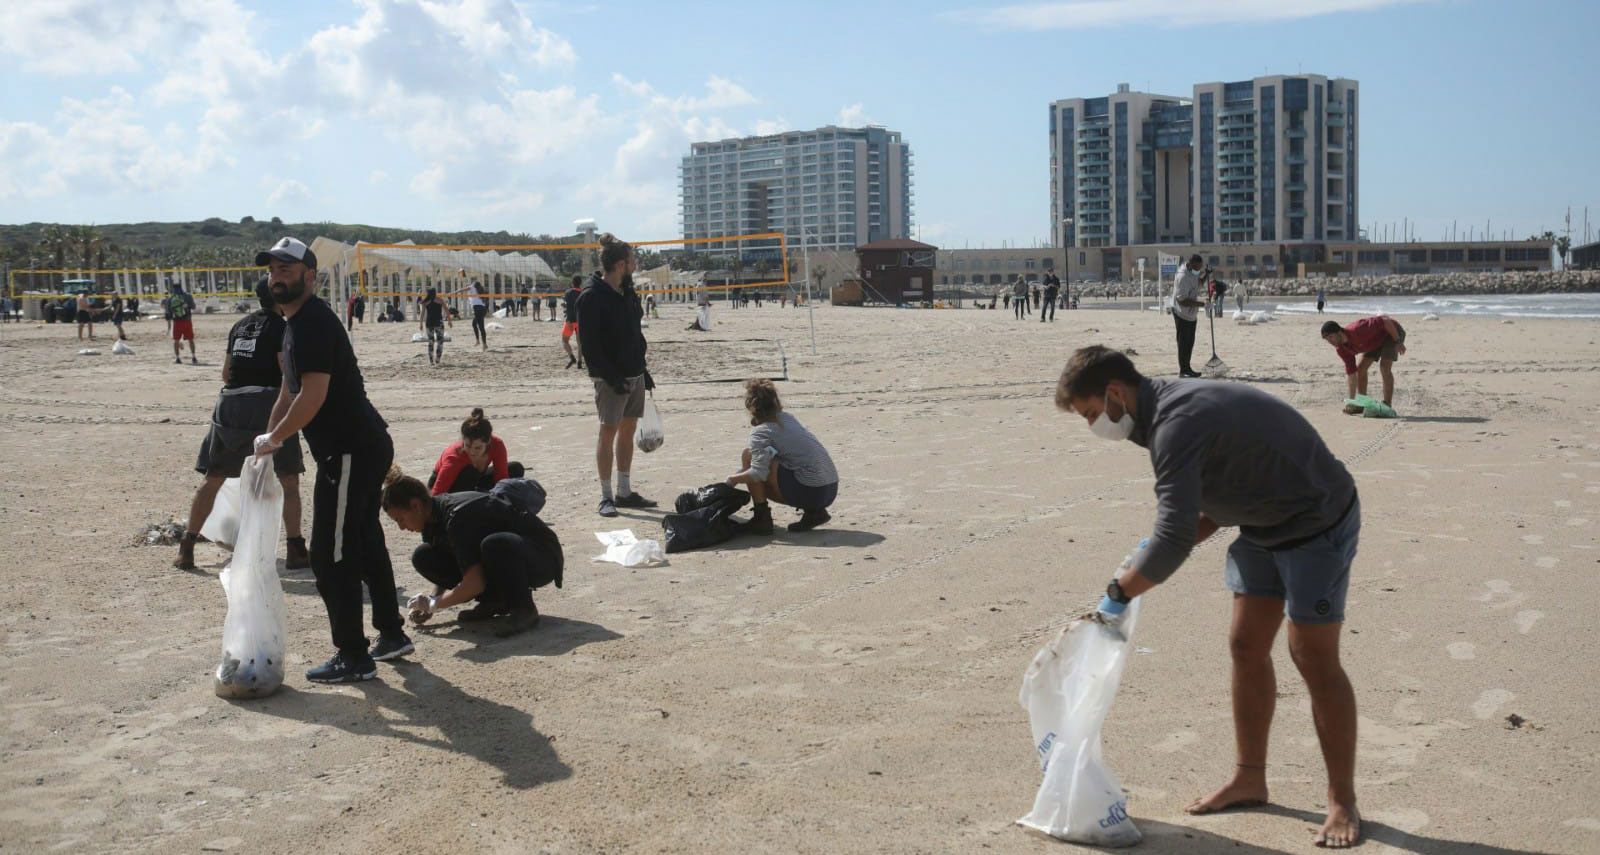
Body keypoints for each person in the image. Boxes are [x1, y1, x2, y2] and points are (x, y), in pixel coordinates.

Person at [1057, 345, 1362, 848]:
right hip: (1261, 523)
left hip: (1316, 521)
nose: (1093, 425)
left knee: (1311, 655)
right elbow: (1219, 485)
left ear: (1115, 393)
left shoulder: (1176, 421)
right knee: (1245, 645)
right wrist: (1147, 554)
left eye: (1091, 414)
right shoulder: (1151, 416)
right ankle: (1250, 777)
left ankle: (1341, 800)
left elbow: (1174, 538)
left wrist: (1120, 592)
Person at [253, 236, 411, 684]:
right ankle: (391, 634)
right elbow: (289, 391)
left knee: (330, 554)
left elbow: (314, 396)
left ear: (310, 276)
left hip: (349, 450)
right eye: (272, 269)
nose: (277, 276)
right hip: (359, 446)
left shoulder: (312, 324)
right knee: (361, 540)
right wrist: (266, 439)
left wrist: (276, 438)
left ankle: (353, 654)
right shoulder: (294, 325)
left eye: (287, 269)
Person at [175, 279, 310, 572]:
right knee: (289, 480)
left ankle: (187, 546)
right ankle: (296, 548)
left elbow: (226, 373)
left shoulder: (239, 326)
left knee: (213, 478)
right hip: (266, 404)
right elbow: (286, 374)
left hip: (229, 406)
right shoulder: (283, 328)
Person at [382, 468, 560, 637]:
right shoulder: (432, 518)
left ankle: (523, 609)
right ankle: (496, 601)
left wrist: (433, 604)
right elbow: (454, 557)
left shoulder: (457, 518)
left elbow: (474, 584)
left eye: (400, 519)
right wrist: (431, 599)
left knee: (495, 544)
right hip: (510, 557)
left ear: (416, 506)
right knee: (424, 556)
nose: (401, 527)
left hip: (543, 556)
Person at [575, 233, 657, 517]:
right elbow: (590, 346)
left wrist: (642, 370)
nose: (636, 264)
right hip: (609, 378)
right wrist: (611, 377)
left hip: (633, 373)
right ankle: (606, 496)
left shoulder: (627, 291)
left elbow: (635, 334)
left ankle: (624, 492)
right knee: (607, 431)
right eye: (633, 260)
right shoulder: (591, 296)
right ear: (621, 264)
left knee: (628, 429)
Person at [726, 379, 838, 534]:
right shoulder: (787, 418)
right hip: (830, 489)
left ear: (752, 408)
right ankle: (815, 513)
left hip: (812, 491)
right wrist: (742, 474)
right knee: (757, 461)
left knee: (749, 456)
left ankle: (762, 519)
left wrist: (731, 481)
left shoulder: (761, 432)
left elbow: (758, 472)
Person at [430, 408, 522, 495]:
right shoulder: (454, 457)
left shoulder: (497, 445)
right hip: (447, 486)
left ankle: (478, 494)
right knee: (471, 473)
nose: (472, 452)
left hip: (475, 480)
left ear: (488, 442)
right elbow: (437, 494)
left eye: (478, 448)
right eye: (468, 446)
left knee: (515, 468)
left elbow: (501, 479)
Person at [1321, 317, 1407, 408]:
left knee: (1384, 367)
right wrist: (1351, 401)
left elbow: (1385, 321)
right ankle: (1362, 403)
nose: (1330, 341)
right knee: (1361, 369)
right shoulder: (1341, 350)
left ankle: (1387, 404)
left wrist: (1398, 341)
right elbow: (1352, 374)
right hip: (1375, 342)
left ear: (1339, 332)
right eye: (1327, 339)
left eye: (1331, 337)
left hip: (1392, 332)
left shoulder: (1357, 329)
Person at [1171, 255, 1207, 378]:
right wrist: (1202, 304)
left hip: (1191, 313)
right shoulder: (1183, 277)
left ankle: (1188, 368)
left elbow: (1198, 285)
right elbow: (1182, 300)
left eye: (1200, 268)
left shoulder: (1193, 272)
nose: (1198, 270)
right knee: (1183, 342)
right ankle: (1183, 370)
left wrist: (1206, 275)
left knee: (1190, 342)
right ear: (1190, 264)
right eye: (1197, 267)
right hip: (1181, 313)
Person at [419, 286, 451, 365]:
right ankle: (437, 358)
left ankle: (431, 360)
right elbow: (446, 310)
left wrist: (420, 323)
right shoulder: (440, 300)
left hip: (429, 322)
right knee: (440, 341)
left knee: (431, 341)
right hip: (438, 322)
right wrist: (449, 320)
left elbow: (422, 313)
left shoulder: (425, 301)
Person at [168, 283, 198, 365]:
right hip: (187, 320)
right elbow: (194, 307)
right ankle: (194, 357)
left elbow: (169, 312)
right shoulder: (188, 296)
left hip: (177, 322)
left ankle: (178, 358)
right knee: (190, 339)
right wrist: (187, 306)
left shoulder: (171, 298)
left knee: (176, 340)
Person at [562, 274, 584, 369]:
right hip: (581, 321)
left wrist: (569, 321)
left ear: (572, 282)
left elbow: (568, 307)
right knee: (580, 343)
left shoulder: (568, 292)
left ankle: (572, 357)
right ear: (581, 283)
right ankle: (579, 362)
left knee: (564, 340)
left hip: (570, 320)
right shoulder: (584, 292)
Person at [467, 279, 488, 350]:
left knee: (480, 326)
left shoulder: (472, 287)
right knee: (475, 324)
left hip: (478, 309)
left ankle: (483, 344)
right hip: (482, 309)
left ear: (474, 284)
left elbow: (462, 289)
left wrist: (455, 292)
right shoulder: (478, 290)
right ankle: (479, 341)